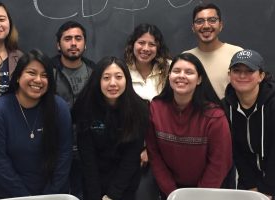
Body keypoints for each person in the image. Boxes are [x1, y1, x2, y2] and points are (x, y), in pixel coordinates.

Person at [0, 49, 72, 199]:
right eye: (31, 73)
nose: (38, 80)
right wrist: (26, 198)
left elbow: (64, 154)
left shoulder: (59, 108)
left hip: (53, 195)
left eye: (44, 75)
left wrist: (49, 196)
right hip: (10, 195)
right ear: (18, 76)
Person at [223, 49, 275, 200]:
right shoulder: (226, 106)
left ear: (261, 76)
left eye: (249, 71)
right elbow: (235, 150)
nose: (242, 76)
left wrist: (267, 190)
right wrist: (250, 184)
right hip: (250, 171)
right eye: (237, 70)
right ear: (229, 74)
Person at [146, 53, 232, 198]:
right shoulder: (156, 108)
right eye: (176, 71)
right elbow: (154, 155)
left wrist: (196, 196)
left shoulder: (214, 116)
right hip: (170, 193)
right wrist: (173, 194)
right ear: (169, 76)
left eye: (189, 72)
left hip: (207, 193)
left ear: (199, 79)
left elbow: (220, 163)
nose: (181, 76)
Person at [73, 56, 149, 200]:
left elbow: (132, 157)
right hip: (93, 181)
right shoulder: (86, 107)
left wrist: (113, 195)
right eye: (106, 78)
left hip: (125, 182)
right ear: (98, 81)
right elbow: (87, 157)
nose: (113, 83)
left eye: (119, 77)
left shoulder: (139, 109)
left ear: (127, 79)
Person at [123, 23, 171, 200]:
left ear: (158, 47)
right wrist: (143, 148)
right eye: (141, 42)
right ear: (132, 44)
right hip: (133, 152)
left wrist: (151, 149)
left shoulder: (170, 70)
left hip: (167, 148)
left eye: (152, 44)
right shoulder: (121, 72)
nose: (146, 48)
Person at [51, 20, 97, 199]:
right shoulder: (48, 70)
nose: (73, 43)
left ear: (84, 44)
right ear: (58, 44)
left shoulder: (95, 71)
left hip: (88, 150)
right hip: (55, 150)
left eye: (78, 38)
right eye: (67, 38)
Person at [184, 3, 242, 99]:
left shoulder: (237, 54)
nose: (206, 26)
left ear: (221, 25)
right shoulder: (186, 58)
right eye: (199, 21)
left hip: (231, 113)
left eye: (212, 20)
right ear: (193, 28)